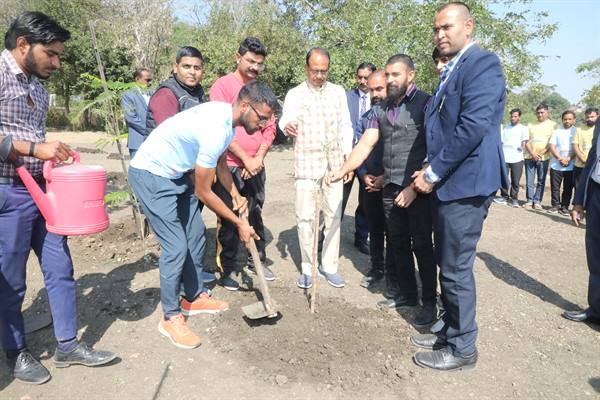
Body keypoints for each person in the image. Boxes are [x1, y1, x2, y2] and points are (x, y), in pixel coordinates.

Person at [0, 12, 116, 385]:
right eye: (51, 54)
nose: (57, 62)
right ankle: (15, 352)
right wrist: (35, 148)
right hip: (8, 193)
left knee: (60, 267)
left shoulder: (38, 87)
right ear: (22, 45)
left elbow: (38, 141)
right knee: (11, 279)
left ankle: (67, 345)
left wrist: (52, 153)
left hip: (44, 194)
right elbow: (27, 144)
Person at [128, 81, 279, 349]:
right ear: (245, 106)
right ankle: (171, 316)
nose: (265, 124)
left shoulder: (225, 120)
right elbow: (203, 192)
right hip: (151, 175)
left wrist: (234, 193)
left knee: (196, 236)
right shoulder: (214, 127)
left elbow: (220, 163)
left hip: (175, 174)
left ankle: (194, 296)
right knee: (176, 246)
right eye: (262, 117)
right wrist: (237, 223)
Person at [410, 2, 508, 371]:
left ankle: (463, 349)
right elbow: (441, 129)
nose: (440, 35)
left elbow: (472, 127)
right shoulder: (451, 70)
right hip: (450, 184)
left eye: (447, 27)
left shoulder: (482, 64)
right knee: (449, 263)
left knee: (454, 269)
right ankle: (450, 330)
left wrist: (432, 173)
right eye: (436, 29)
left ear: (468, 27)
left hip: (465, 186)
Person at [328, 54, 436, 327]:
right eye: (387, 75)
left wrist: (414, 187)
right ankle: (408, 295)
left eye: (395, 74)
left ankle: (430, 304)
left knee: (422, 246)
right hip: (389, 188)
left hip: (419, 190)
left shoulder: (427, 104)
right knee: (397, 242)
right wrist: (343, 170)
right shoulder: (381, 110)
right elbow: (365, 144)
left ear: (410, 75)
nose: (389, 80)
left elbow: (437, 148)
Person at [279, 47, 353, 289]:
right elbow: (284, 120)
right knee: (306, 217)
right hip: (306, 163)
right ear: (306, 68)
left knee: (333, 214)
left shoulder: (338, 92)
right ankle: (308, 269)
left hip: (334, 164)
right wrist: (286, 126)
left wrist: (347, 159)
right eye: (315, 71)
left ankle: (329, 266)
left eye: (324, 71)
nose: (320, 76)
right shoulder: (294, 94)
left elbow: (346, 126)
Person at [209, 37, 277, 290]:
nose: (254, 67)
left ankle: (255, 258)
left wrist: (258, 158)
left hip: (255, 166)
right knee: (228, 217)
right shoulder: (222, 86)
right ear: (238, 57)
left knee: (255, 213)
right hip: (229, 164)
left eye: (259, 63)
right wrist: (245, 158)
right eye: (250, 61)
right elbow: (220, 129)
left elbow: (270, 128)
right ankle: (227, 268)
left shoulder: (261, 90)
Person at [563, 119, 600, 324]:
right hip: (596, 192)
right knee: (595, 254)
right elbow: (593, 158)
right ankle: (596, 309)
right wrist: (579, 201)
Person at [353, 69, 387, 289]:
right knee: (374, 229)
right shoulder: (365, 119)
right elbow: (358, 149)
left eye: (380, 89)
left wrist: (385, 177)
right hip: (369, 183)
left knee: (395, 233)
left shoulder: (401, 116)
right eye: (372, 90)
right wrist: (363, 175)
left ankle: (395, 275)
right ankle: (377, 269)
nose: (375, 94)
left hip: (392, 183)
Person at [342, 62, 375, 255]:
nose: (362, 81)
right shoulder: (346, 98)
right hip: (346, 156)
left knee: (366, 202)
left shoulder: (378, 99)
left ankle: (361, 238)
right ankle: (327, 236)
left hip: (368, 159)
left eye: (366, 77)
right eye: (359, 77)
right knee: (339, 199)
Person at [145, 46, 205, 134]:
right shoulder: (166, 94)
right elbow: (170, 135)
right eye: (186, 67)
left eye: (197, 68)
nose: (192, 72)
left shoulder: (198, 91)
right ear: (175, 68)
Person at [523, 104, 556, 210]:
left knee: (541, 180)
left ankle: (537, 201)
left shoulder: (553, 125)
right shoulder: (530, 125)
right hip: (530, 156)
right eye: (538, 112)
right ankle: (529, 200)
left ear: (547, 112)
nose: (540, 114)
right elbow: (526, 141)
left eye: (542, 112)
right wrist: (533, 153)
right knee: (530, 180)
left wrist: (541, 153)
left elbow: (552, 142)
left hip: (544, 157)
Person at [494, 108, 528, 207]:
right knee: (504, 178)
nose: (513, 118)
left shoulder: (523, 128)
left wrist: (522, 146)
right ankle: (504, 196)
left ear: (519, 117)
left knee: (515, 180)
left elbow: (524, 142)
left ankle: (514, 199)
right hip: (505, 157)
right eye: (512, 116)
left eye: (515, 116)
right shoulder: (506, 128)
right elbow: (501, 141)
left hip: (517, 158)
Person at [548, 110, 577, 215]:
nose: (567, 121)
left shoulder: (577, 131)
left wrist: (568, 158)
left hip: (571, 165)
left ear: (574, 120)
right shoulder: (557, 131)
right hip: (556, 164)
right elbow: (552, 146)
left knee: (568, 188)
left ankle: (564, 207)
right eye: (565, 119)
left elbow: (577, 147)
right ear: (562, 120)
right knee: (555, 187)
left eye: (569, 119)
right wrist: (560, 158)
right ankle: (555, 206)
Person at [121, 67, 153, 159]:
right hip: (138, 141)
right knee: (137, 171)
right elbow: (131, 118)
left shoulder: (153, 93)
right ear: (137, 79)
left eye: (150, 80)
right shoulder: (128, 95)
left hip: (154, 141)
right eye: (147, 80)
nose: (149, 82)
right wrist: (149, 131)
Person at [573, 107, 599, 194]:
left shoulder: (598, 130)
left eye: (592, 117)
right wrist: (584, 160)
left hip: (595, 166)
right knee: (579, 189)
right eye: (587, 117)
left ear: (598, 116)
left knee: (593, 190)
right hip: (580, 165)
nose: (589, 119)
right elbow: (575, 146)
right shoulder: (579, 130)